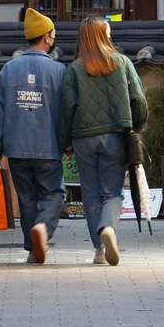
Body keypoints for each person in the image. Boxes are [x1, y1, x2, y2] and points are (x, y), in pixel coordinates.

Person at [57, 16, 147, 265]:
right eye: (108, 31)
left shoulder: (74, 69)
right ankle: (109, 228)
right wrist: (136, 127)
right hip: (115, 136)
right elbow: (138, 100)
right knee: (113, 192)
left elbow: (66, 109)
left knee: (91, 194)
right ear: (102, 35)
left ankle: (99, 251)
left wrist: (64, 143)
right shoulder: (122, 63)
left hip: (83, 138)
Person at [0, 9, 65, 264]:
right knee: (54, 193)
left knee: (27, 198)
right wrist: (68, 143)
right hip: (49, 146)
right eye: (53, 33)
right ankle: (43, 229)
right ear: (46, 37)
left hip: (16, 146)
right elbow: (65, 111)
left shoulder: (9, 70)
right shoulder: (58, 71)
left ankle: (33, 249)